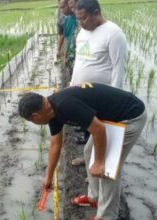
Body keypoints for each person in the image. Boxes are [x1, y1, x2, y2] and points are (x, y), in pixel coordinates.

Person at [18, 83, 147, 220]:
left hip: (130, 117)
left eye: (32, 121)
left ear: (35, 116)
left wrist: (99, 162)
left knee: (108, 168)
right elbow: (55, 144)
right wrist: (48, 176)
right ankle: (94, 197)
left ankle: (107, 216)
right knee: (89, 151)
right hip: (111, 118)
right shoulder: (51, 110)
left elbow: (99, 130)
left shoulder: (65, 105)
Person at [70, 0, 127, 146]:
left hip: (101, 95)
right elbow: (80, 61)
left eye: (84, 18)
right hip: (82, 91)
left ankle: (99, 161)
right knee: (89, 126)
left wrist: (115, 97)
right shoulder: (83, 32)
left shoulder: (114, 33)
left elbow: (118, 67)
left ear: (96, 13)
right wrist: (72, 84)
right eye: (78, 19)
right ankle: (88, 155)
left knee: (101, 129)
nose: (81, 23)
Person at [56, 0, 77, 74]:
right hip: (70, 56)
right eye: (60, 8)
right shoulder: (65, 20)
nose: (61, 10)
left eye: (63, 7)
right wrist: (64, 55)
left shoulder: (81, 19)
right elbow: (63, 36)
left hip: (80, 56)